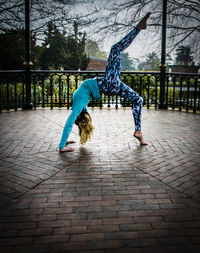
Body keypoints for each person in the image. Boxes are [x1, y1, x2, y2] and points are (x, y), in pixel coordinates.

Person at [59, 13, 151, 152]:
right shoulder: (79, 105)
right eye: (77, 120)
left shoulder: (80, 108)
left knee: (138, 99)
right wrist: (61, 147)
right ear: (78, 118)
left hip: (111, 85)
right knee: (115, 49)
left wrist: (66, 140)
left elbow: (74, 121)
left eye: (77, 121)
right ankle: (138, 28)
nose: (75, 119)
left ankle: (138, 131)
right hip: (108, 84)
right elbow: (69, 122)